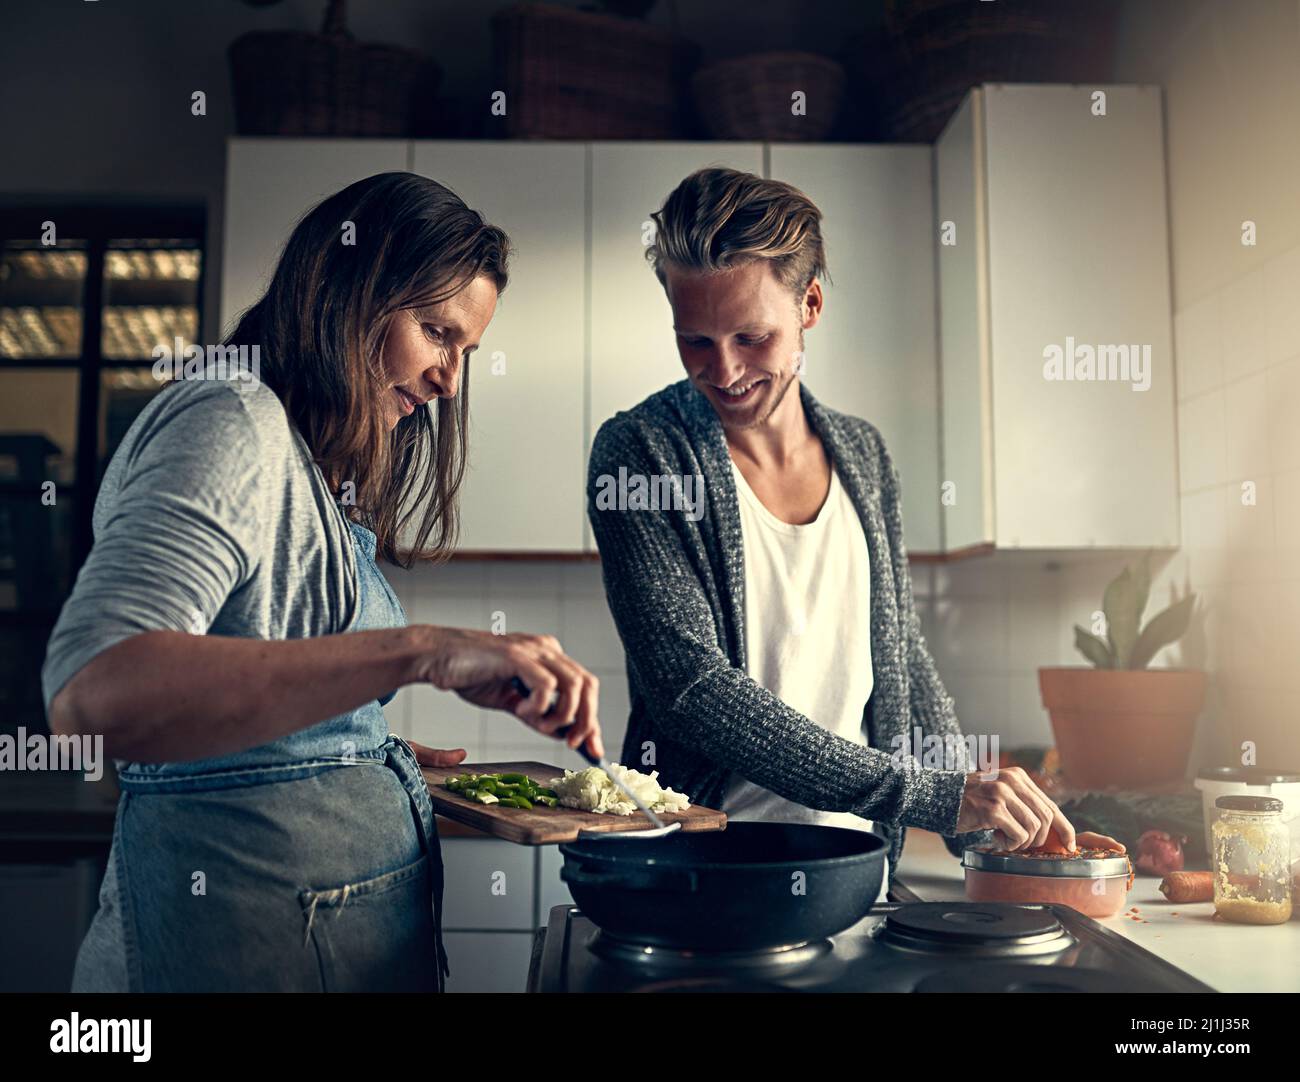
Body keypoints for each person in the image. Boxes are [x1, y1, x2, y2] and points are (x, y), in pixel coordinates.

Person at [43, 172, 603, 992]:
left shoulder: (309, 471)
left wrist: (354, 754)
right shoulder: (231, 422)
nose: (451, 378)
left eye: (467, 351)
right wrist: (420, 650)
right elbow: (94, 694)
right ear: (349, 291)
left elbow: (240, 716)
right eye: (436, 331)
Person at [586, 167, 1117, 886]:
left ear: (809, 305)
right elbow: (689, 690)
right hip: (701, 872)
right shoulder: (642, 452)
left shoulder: (863, 454)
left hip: (858, 870)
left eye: (752, 336)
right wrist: (932, 795)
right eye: (696, 342)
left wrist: (976, 821)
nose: (725, 370)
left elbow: (901, 655)